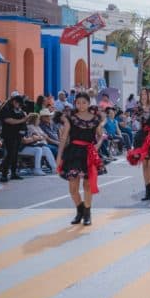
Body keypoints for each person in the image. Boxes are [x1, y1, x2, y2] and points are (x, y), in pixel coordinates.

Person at [57, 93, 106, 226]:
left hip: (89, 154)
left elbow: (101, 135)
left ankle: (87, 213)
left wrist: (97, 145)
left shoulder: (96, 119)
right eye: (78, 102)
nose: (81, 105)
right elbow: (64, 138)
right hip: (73, 153)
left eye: (84, 102)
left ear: (89, 103)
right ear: (75, 103)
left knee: (87, 186)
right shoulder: (70, 118)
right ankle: (80, 209)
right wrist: (59, 156)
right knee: (73, 188)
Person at [0, 95, 28, 182]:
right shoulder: (6, 108)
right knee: (10, 154)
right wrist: (22, 120)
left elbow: (21, 117)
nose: (20, 106)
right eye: (19, 104)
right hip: (9, 134)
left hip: (18, 134)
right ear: (14, 102)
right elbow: (8, 120)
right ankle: (4, 174)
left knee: (15, 155)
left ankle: (14, 173)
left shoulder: (18, 108)